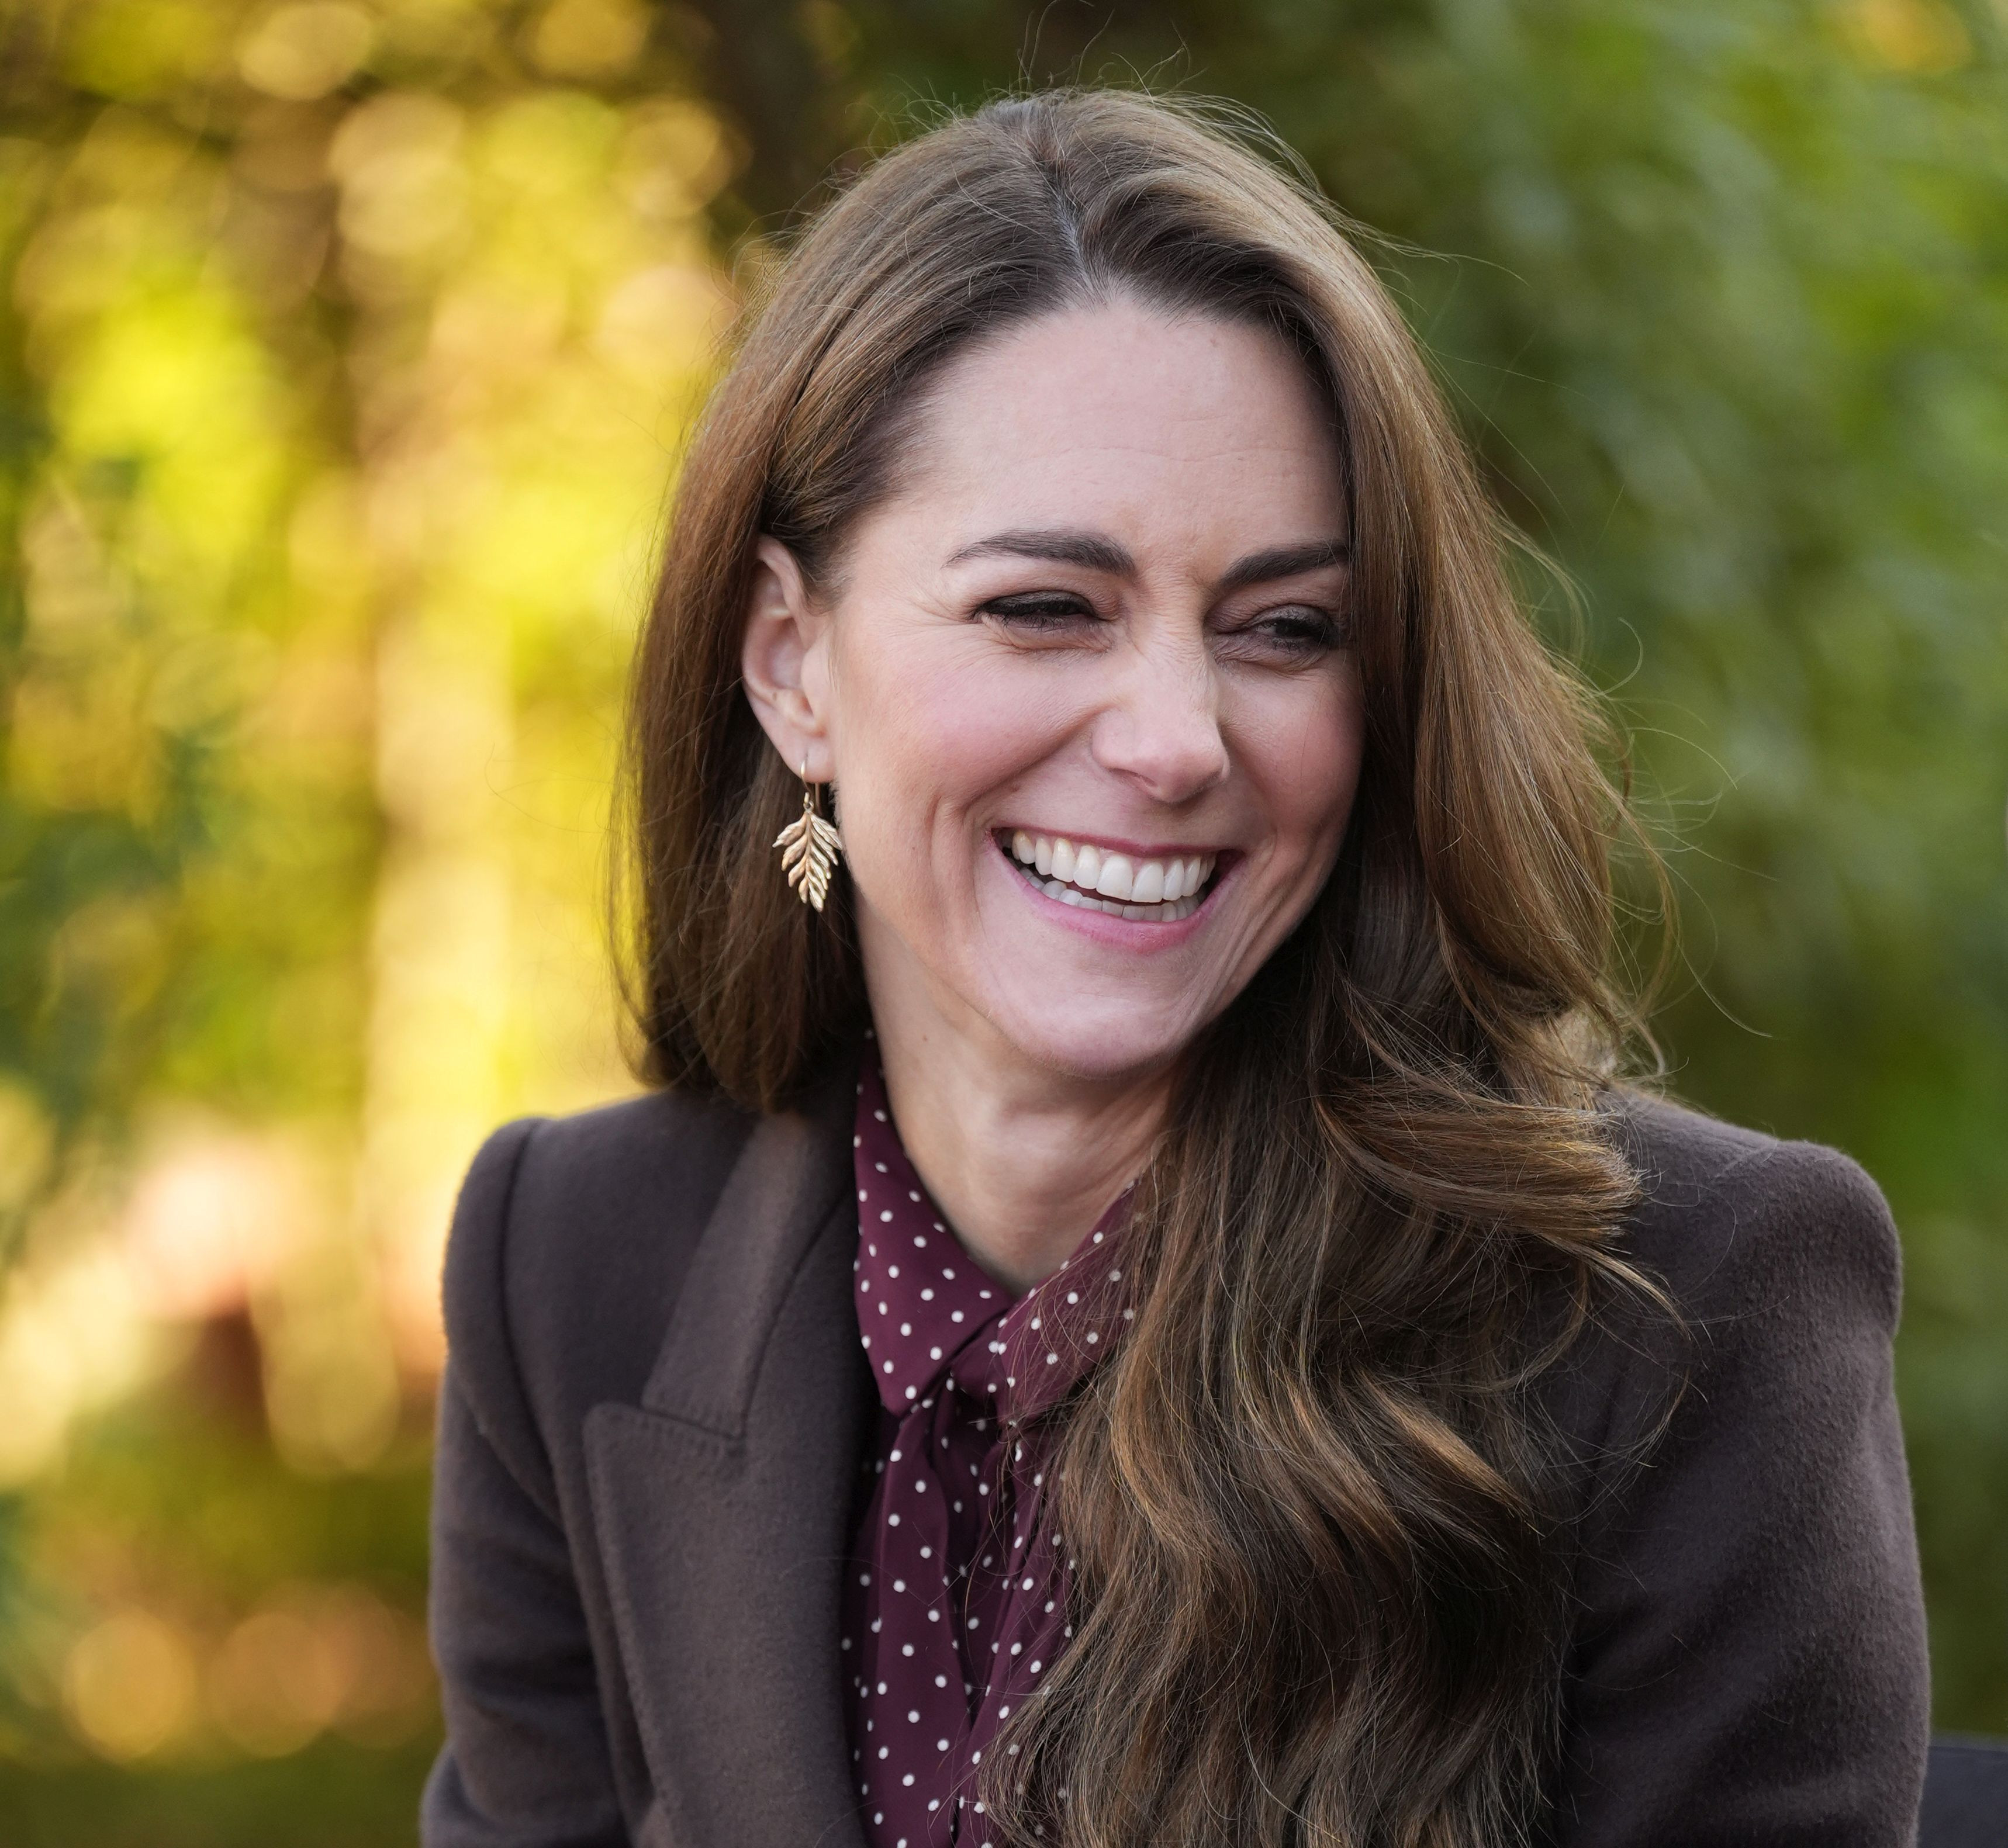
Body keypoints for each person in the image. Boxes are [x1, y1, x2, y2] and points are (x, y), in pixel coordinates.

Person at [421, 89, 1928, 1848]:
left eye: (1285, 629)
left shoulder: (1694, 1314)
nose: (1174, 740)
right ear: (789, 663)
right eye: (1043, 607)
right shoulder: (570, 1266)